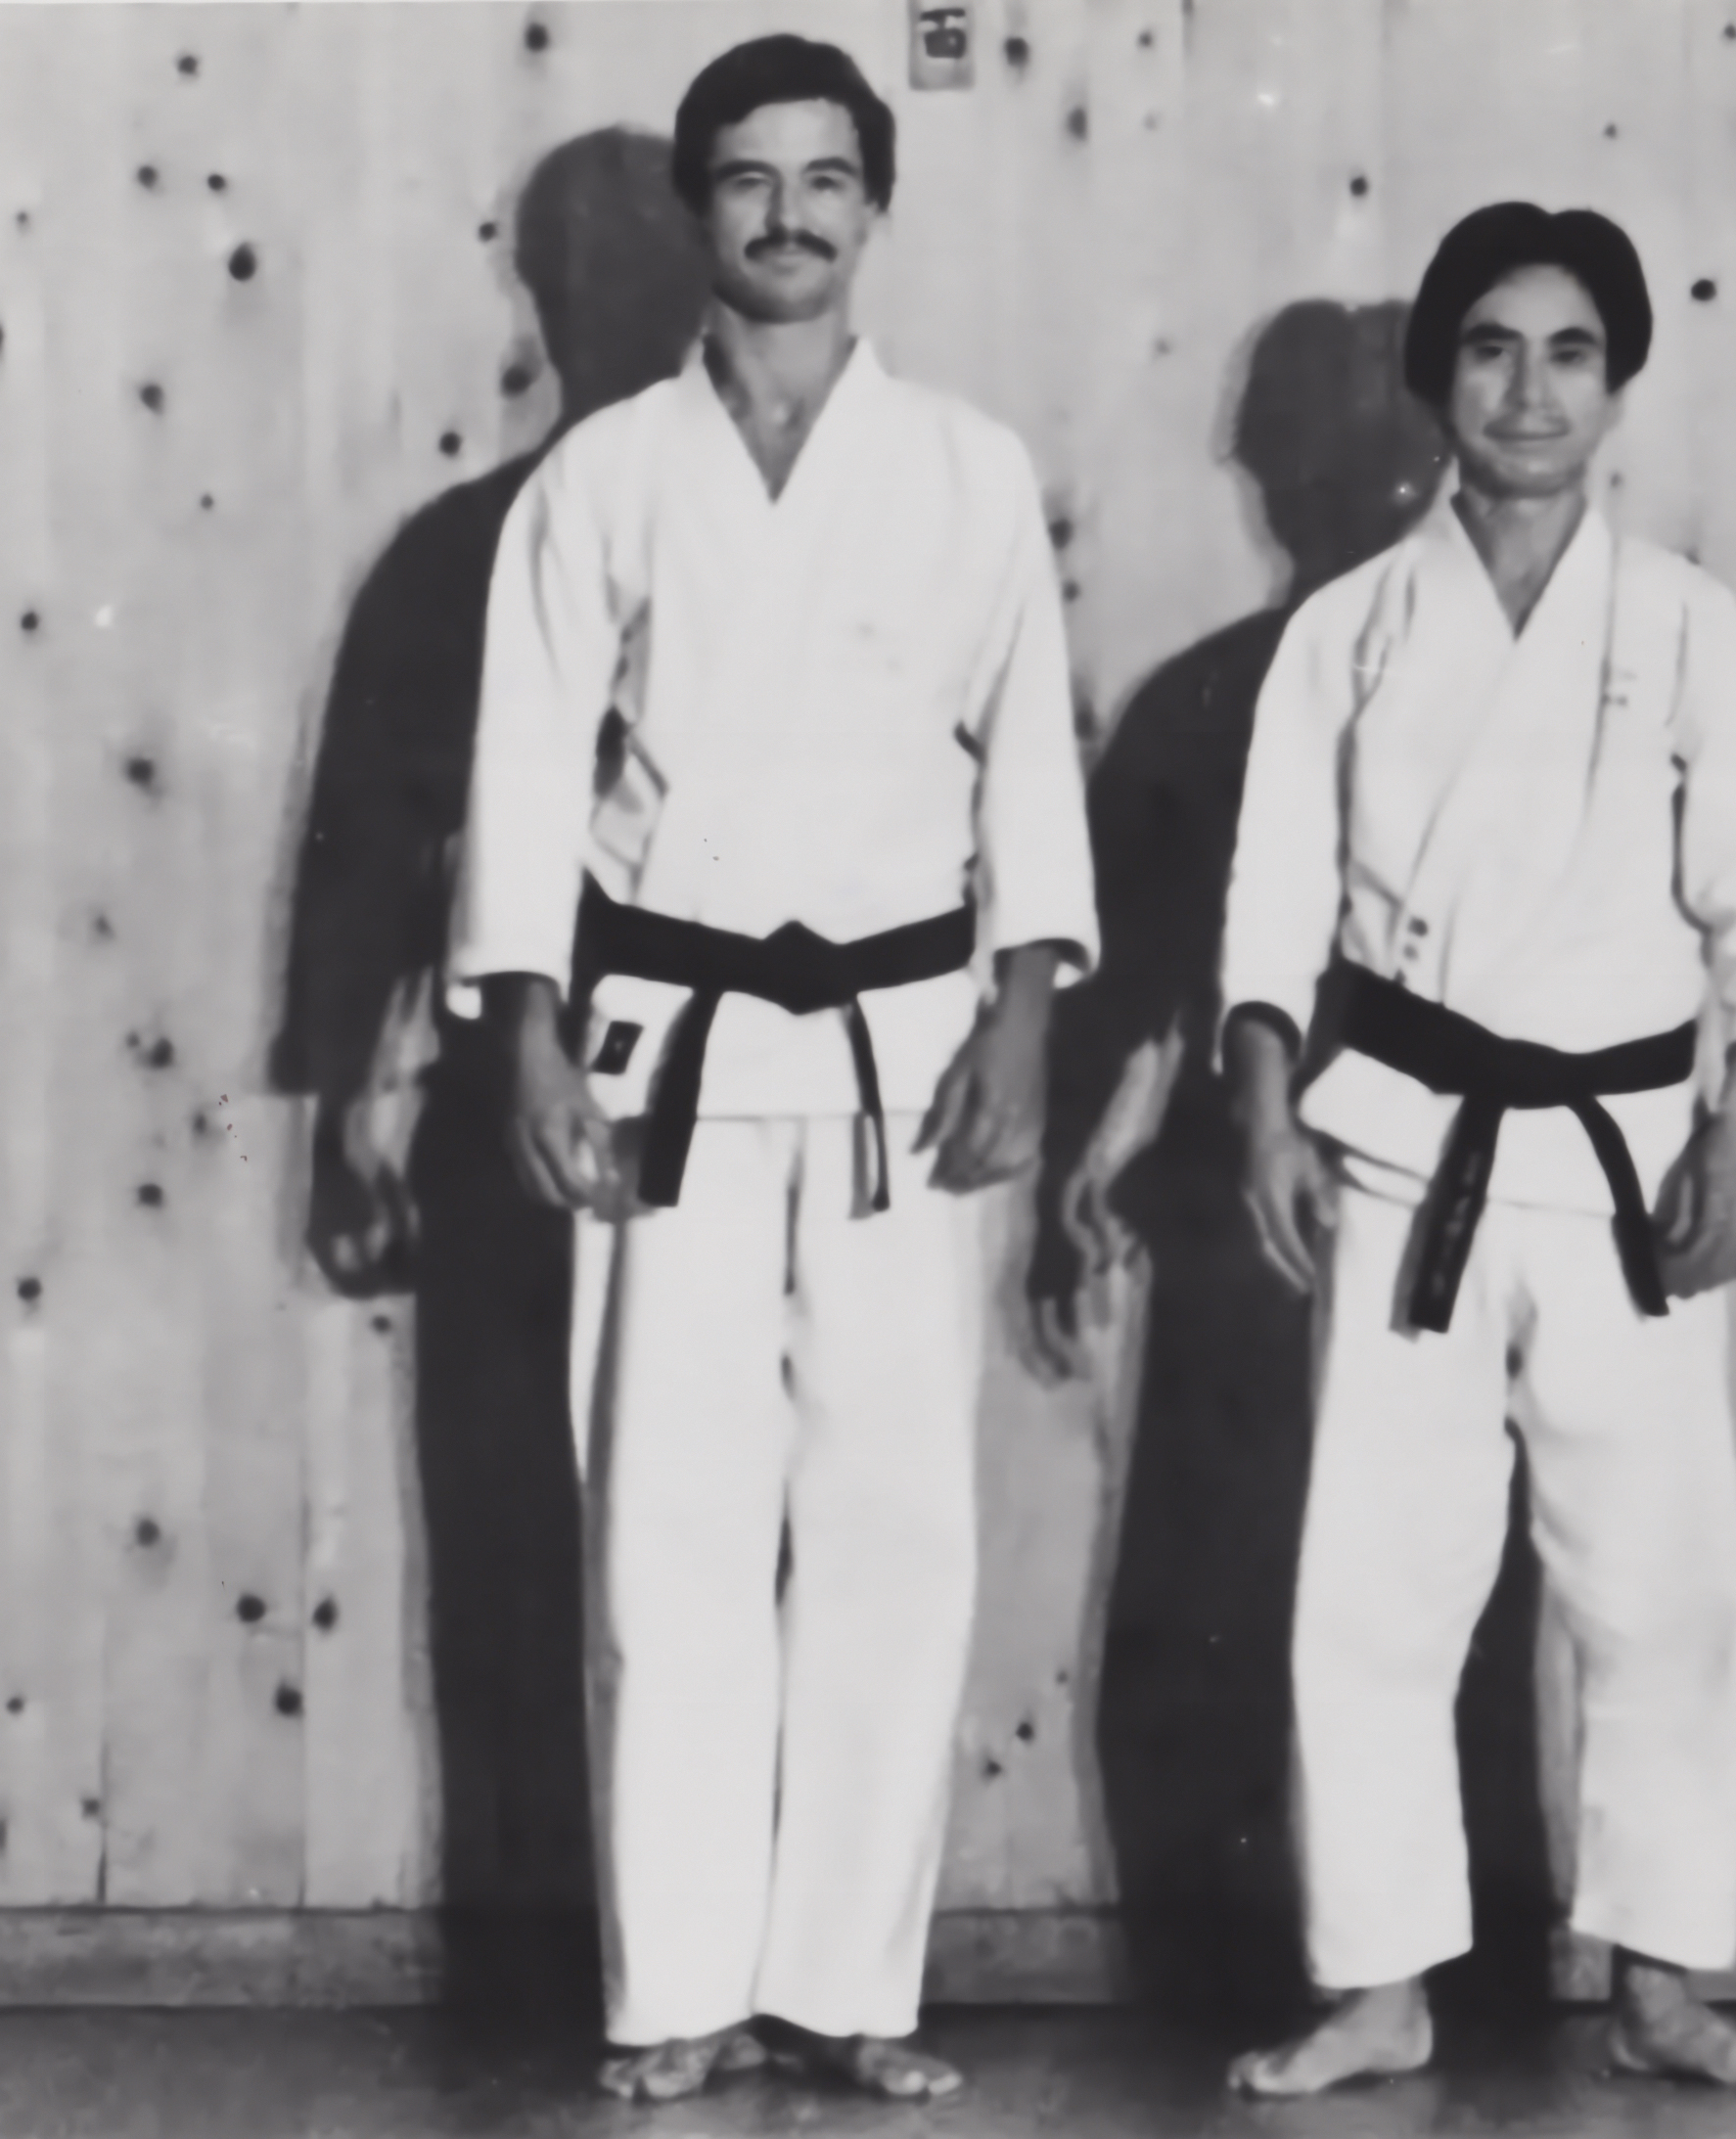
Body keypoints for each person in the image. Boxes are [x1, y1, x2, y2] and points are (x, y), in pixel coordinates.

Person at [447, 35, 1096, 2106]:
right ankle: (680, 1991)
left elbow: (1030, 759)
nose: (787, 217)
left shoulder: (969, 469)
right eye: (745, 182)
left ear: (871, 206)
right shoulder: (602, 481)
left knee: (897, 1522)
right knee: (666, 1524)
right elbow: (530, 773)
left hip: (906, 1044)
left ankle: (845, 1990)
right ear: (690, 215)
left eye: (825, 179)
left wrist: (1027, 1010)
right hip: (666, 1047)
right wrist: (527, 1026)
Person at [1215, 203, 1736, 2098]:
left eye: (1566, 349)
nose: (1524, 387)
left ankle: (1659, 1978)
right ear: (1437, 376)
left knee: (1659, 1581)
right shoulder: (1343, 628)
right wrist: (1261, 1098)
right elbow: (1270, 905)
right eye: (1488, 346)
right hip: (1403, 1145)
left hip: (1615, 1154)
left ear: (1615, 383)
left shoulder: (1683, 624)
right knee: (1371, 1579)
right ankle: (1376, 1984)